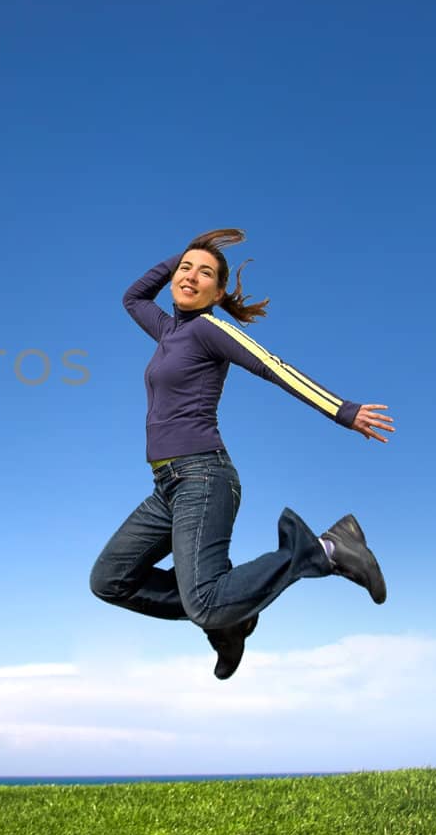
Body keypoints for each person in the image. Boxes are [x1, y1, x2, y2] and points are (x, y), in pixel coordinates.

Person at [89, 228, 394, 680]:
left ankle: (328, 549)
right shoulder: (169, 331)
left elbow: (272, 366)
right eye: (184, 270)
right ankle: (231, 617)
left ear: (218, 291)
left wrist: (342, 410)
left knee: (206, 602)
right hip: (167, 487)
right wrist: (190, 255)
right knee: (110, 581)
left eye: (205, 273)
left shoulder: (210, 329)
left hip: (203, 477)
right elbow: (133, 298)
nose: (190, 277)